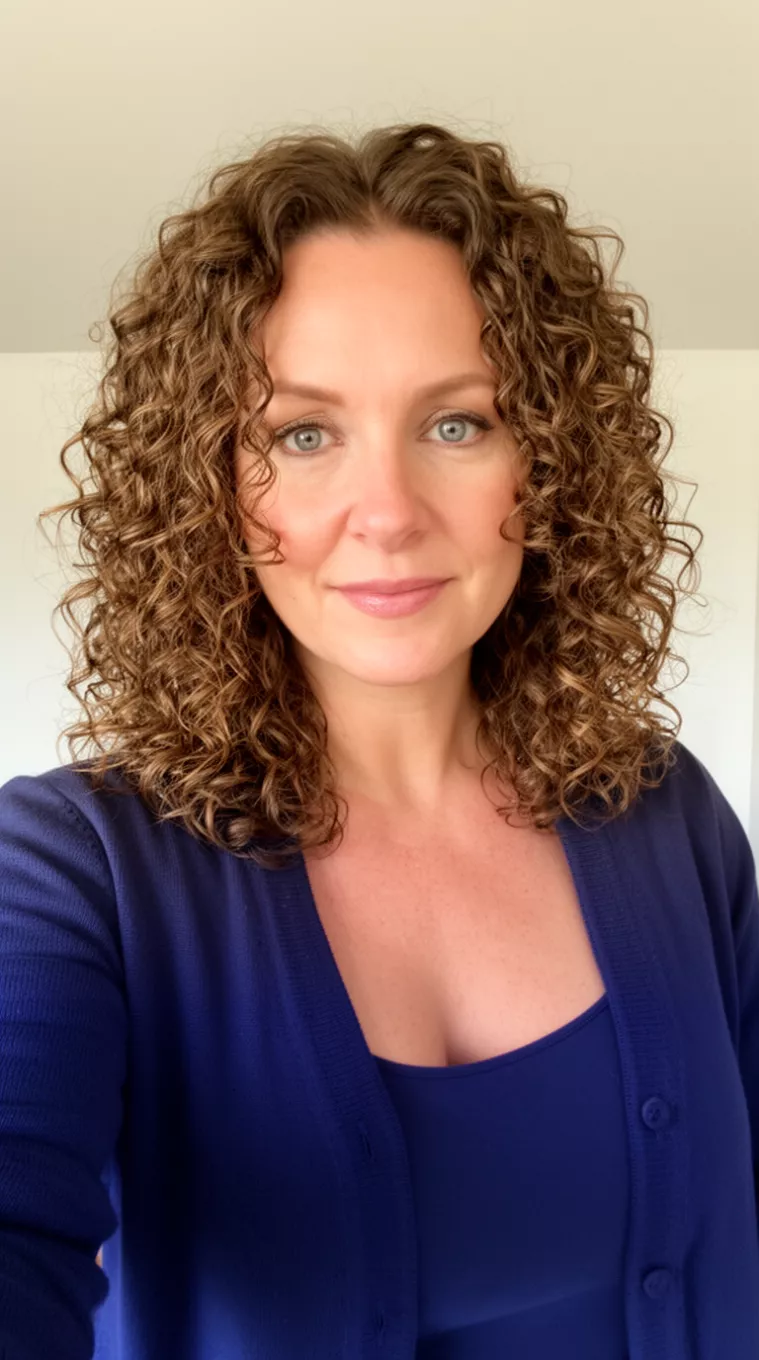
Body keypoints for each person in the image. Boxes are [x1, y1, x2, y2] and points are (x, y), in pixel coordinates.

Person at [0, 120, 757, 1360]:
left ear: (551, 460)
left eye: (458, 423)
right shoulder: (72, 867)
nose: (391, 515)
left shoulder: (668, 815)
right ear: (210, 485)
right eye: (303, 434)